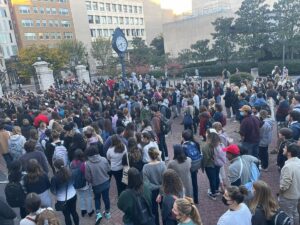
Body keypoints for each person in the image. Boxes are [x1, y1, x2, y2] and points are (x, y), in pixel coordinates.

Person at [85, 146, 111, 224]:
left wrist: (91, 181)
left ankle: (98, 213)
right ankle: (107, 213)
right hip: (106, 182)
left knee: (97, 198)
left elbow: (88, 178)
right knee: (106, 198)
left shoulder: (88, 164)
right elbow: (108, 169)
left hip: (96, 185)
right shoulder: (104, 159)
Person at [50, 159, 79, 225]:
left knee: (67, 215)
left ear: (55, 167)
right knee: (74, 212)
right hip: (73, 195)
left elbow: (53, 191)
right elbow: (74, 183)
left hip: (62, 200)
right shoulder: (70, 173)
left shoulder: (54, 178)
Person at [143, 147, 166, 225]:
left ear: (149, 155)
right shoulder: (163, 165)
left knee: (154, 212)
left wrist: (157, 187)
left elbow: (147, 184)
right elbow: (165, 181)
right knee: (165, 211)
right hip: (163, 191)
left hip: (152, 193)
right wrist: (161, 189)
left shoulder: (145, 167)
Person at [279, 143, 300, 225]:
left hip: (288, 196)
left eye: (285, 148)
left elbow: (284, 185)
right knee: (295, 213)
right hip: (297, 194)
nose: (283, 149)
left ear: (289, 153)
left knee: (287, 216)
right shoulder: (298, 162)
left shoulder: (288, 166)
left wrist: (281, 191)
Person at [70, 149, 94, 218]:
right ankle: (90, 211)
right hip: (84, 184)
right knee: (89, 196)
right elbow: (86, 175)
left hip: (76, 185)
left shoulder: (71, 163)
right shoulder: (84, 164)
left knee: (81, 197)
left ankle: (83, 210)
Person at [202, 129, 223, 200]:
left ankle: (213, 193)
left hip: (209, 165)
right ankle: (216, 190)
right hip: (218, 163)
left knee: (212, 179)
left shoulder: (206, 146)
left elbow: (206, 158)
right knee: (216, 176)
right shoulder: (218, 145)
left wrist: (203, 166)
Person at [181, 129, 201, 203]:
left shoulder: (183, 145)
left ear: (183, 137)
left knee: (187, 182)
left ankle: (188, 199)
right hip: (195, 165)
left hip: (187, 166)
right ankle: (196, 199)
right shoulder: (195, 143)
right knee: (194, 182)